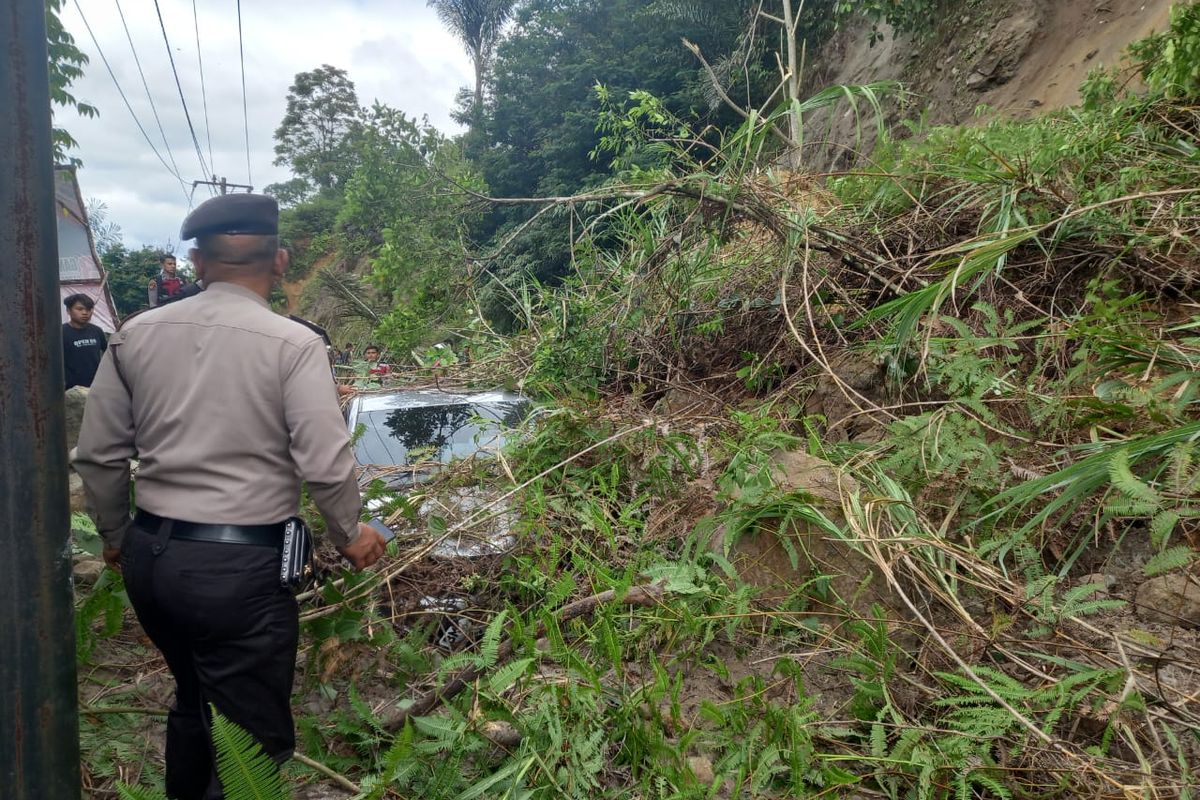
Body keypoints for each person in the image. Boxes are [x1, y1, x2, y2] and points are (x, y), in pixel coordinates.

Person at [75, 193, 388, 800]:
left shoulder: (134, 335)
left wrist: (114, 538)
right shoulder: (293, 344)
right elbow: (324, 460)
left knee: (194, 704)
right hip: (239, 574)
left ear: (195, 262)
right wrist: (351, 534)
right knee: (251, 741)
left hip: (153, 560)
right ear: (282, 262)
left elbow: (99, 455)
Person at [62, 293, 108, 389]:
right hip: (70, 389)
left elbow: (108, 353)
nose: (85, 313)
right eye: (79, 309)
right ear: (68, 310)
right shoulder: (60, 333)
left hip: (95, 386)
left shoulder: (97, 331)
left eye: (89, 309)